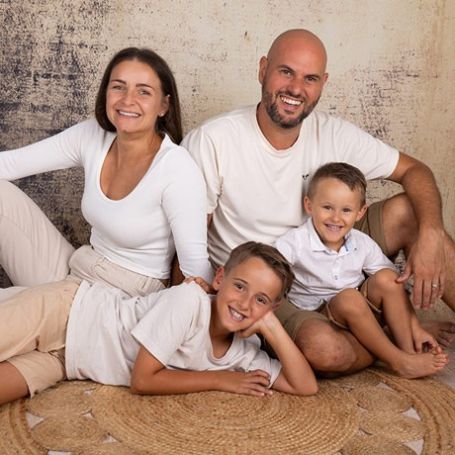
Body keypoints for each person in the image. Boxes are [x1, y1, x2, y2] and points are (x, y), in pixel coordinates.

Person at [182, 29, 455, 375]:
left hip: (335, 246)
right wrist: (192, 309)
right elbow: (189, 241)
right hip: (269, 281)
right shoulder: (213, 139)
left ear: (323, 83)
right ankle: (394, 338)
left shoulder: (334, 133)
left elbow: (415, 171)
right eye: (286, 72)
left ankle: (387, 327)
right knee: (324, 351)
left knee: (411, 213)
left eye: (309, 78)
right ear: (262, 69)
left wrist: (430, 234)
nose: (296, 89)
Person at [0, 46, 212, 295]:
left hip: (124, 298)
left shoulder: (177, 169)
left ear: (164, 105)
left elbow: (196, 270)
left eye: (143, 91)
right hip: (77, 271)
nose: (127, 100)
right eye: (118, 87)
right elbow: (10, 164)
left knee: (9, 310)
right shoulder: (92, 136)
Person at [0, 242, 318, 405]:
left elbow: (304, 386)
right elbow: (144, 380)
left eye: (261, 300)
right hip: (68, 311)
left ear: (273, 307)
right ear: (219, 278)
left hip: (67, 362)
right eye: (239, 286)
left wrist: (272, 327)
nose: (245, 304)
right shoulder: (189, 300)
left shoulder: (244, 353)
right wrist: (222, 380)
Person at [275, 162, 448, 378]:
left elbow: (394, 285)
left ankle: (409, 349)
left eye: (346, 210)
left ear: (360, 212)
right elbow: (270, 272)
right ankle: (397, 360)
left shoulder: (361, 242)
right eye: (327, 207)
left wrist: (415, 326)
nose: (336, 218)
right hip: (320, 319)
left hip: (359, 316)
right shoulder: (295, 242)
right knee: (349, 298)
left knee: (388, 278)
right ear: (309, 205)